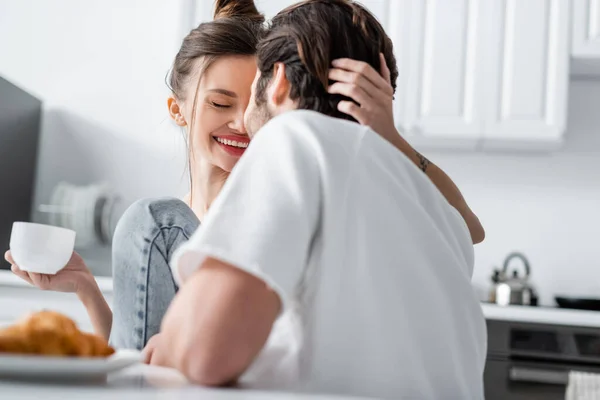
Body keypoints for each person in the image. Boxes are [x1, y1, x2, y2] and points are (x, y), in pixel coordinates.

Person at [4, 0, 483, 360]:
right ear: (179, 110)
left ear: (273, 88)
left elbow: (192, 358)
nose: (239, 123)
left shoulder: (283, 183)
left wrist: (389, 135)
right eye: (218, 103)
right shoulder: (172, 227)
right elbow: (136, 354)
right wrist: (90, 290)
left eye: (250, 97)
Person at [147, 0, 487, 399]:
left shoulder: (294, 137)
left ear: (278, 83)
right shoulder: (436, 210)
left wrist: (171, 345)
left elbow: (203, 350)